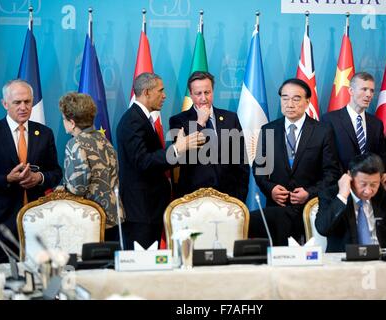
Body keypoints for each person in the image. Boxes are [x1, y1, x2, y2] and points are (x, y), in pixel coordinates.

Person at [116, 72, 202, 250]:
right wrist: (177, 148)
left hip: (150, 209)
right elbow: (143, 162)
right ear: (147, 92)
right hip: (140, 211)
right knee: (142, 266)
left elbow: (155, 159)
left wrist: (182, 150)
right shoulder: (133, 121)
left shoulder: (141, 119)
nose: (165, 96)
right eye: (160, 91)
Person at [250, 78, 341, 245]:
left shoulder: (322, 131)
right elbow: (260, 169)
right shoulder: (269, 130)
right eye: (285, 98)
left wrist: (309, 192)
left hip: (310, 209)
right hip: (277, 210)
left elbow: (332, 172)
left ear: (307, 102)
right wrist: (271, 190)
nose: (289, 104)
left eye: (296, 98)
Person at [0, 79, 62, 263]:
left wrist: (39, 178)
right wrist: (7, 178)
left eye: (27, 102)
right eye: (17, 102)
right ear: (5, 104)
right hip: (1, 223)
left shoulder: (45, 133)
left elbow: (56, 172)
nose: (23, 107)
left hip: (38, 221)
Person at [169, 71, 249, 202]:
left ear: (213, 91)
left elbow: (241, 160)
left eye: (207, 92)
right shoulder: (178, 121)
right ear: (191, 94)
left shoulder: (231, 118)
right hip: (193, 198)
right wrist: (200, 123)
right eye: (198, 93)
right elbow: (184, 157)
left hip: (229, 197)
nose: (203, 98)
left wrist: (240, 195)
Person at [315, 153, 386, 253]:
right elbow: (323, 229)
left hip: (381, 261)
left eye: (374, 184)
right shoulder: (331, 194)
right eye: (363, 184)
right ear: (349, 176)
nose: (368, 191)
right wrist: (342, 195)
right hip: (346, 263)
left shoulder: (384, 195)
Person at [59, 92, 124, 241]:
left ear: (72, 122)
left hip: (90, 218)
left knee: (89, 264)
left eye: (64, 119)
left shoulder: (75, 144)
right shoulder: (104, 140)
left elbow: (77, 188)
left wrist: (62, 188)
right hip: (114, 216)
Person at [322, 72, 386, 172]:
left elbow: (380, 157)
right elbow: (327, 158)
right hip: (339, 183)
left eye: (372, 91)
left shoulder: (377, 124)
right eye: (364, 89)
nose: (369, 95)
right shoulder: (329, 120)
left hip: (368, 185)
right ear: (351, 91)